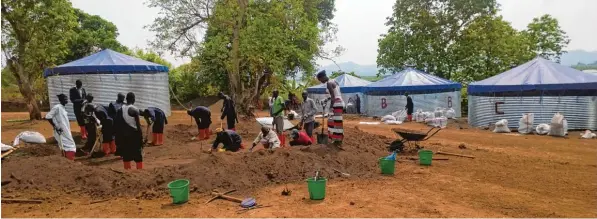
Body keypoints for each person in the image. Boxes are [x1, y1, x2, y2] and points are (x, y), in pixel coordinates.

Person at [116, 92, 144, 170]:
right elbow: (138, 126)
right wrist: (141, 138)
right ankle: (140, 172)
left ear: (126, 99)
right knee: (138, 156)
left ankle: (127, 174)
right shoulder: (134, 109)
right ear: (134, 99)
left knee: (126, 156)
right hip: (134, 135)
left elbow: (117, 124)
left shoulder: (120, 109)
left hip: (124, 135)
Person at [317, 70, 344, 145]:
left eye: (320, 80)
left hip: (336, 103)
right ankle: (336, 139)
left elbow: (333, 96)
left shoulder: (329, 83)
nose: (320, 81)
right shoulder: (334, 81)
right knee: (333, 121)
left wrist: (331, 108)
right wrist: (326, 100)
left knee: (336, 122)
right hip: (339, 102)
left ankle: (338, 140)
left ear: (322, 77)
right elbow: (336, 93)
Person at [46, 94, 77, 160]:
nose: (66, 100)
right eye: (65, 99)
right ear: (61, 100)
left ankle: (66, 159)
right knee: (70, 144)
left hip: (65, 129)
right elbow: (48, 116)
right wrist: (56, 127)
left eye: (66, 98)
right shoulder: (57, 107)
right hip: (60, 130)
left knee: (66, 144)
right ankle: (69, 159)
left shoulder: (62, 107)